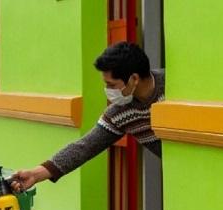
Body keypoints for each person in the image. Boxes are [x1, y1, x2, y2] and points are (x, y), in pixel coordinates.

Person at [11, 42, 164, 192]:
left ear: (134, 79)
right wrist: (35, 174)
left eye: (111, 85)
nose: (108, 90)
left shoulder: (174, 86)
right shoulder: (119, 113)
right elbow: (84, 147)